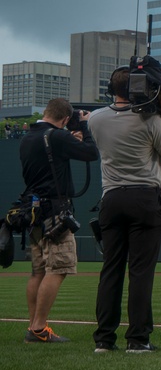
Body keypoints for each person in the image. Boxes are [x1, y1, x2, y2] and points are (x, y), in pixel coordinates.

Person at [89, 67, 161, 353]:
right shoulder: (150, 119)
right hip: (144, 198)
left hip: (112, 198)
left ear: (110, 89)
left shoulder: (95, 119)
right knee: (140, 272)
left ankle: (104, 339)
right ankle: (138, 340)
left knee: (111, 270)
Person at [19, 98, 99, 343]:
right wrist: (85, 127)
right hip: (55, 213)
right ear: (65, 119)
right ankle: (39, 327)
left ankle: (34, 326)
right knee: (60, 268)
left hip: (32, 211)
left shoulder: (28, 138)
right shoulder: (57, 137)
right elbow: (91, 153)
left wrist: (67, 140)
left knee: (38, 271)